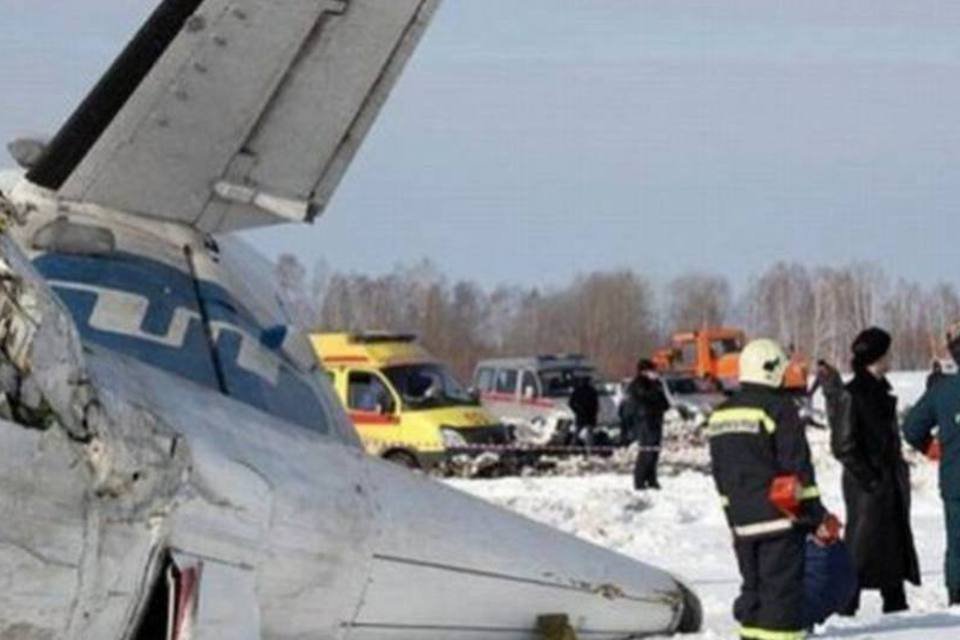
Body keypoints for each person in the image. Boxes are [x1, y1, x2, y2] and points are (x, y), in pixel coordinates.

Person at [708, 339, 839, 640]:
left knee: (753, 592)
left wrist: (732, 515)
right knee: (781, 596)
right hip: (779, 520)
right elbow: (797, 470)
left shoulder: (721, 414)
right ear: (772, 370)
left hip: (742, 522)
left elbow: (720, 473)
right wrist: (817, 517)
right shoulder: (779, 409)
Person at [830, 327, 920, 615]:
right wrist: (871, 479)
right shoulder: (852, 394)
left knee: (891, 548)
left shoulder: (882, 391)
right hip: (866, 489)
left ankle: (896, 608)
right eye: (887, 352)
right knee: (861, 550)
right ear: (877, 357)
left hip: (886, 484)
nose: (891, 357)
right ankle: (845, 611)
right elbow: (843, 446)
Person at [903, 322, 960, 605]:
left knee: (958, 542)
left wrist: (930, 447)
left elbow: (912, 427)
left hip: (955, 481)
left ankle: (957, 597)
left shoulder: (943, 391)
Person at [626, 359, 669, 490]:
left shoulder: (655, 384)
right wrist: (655, 391)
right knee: (646, 452)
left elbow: (664, 402)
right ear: (644, 371)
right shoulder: (638, 384)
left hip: (655, 420)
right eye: (652, 371)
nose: (655, 373)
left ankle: (651, 479)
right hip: (645, 421)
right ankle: (640, 481)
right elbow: (645, 399)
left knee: (654, 452)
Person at [568, 375, 599, 448]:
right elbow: (596, 404)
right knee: (588, 432)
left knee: (578, 432)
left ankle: (572, 448)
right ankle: (589, 449)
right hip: (588, 414)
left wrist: (576, 410)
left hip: (582, 414)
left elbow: (571, 403)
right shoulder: (592, 391)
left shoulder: (578, 391)